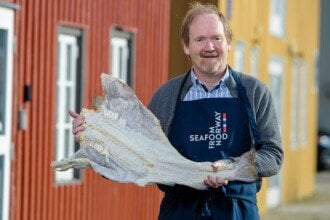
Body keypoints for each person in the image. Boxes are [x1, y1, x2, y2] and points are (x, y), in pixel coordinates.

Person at [71, 2, 283, 219]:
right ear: (186, 46)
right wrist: (92, 137)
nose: (209, 47)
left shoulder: (254, 92)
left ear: (228, 43)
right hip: (180, 211)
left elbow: (273, 156)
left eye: (216, 38)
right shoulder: (167, 96)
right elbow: (133, 157)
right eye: (199, 39)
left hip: (237, 211)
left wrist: (230, 168)